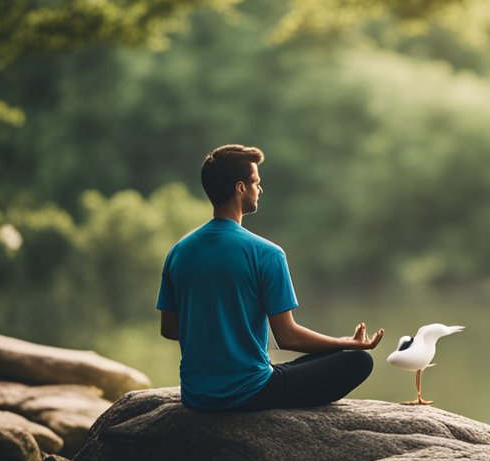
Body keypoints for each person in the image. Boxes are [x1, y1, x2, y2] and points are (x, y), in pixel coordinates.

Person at [157, 144, 382, 410]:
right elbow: (288, 337)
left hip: (196, 395)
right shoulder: (267, 253)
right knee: (356, 361)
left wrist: (217, 330)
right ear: (241, 188)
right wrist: (346, 343)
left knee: (317, 358)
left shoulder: (179, 252)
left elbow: (170, 329)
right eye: (256, 182)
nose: (260, 190)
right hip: (249, 393)